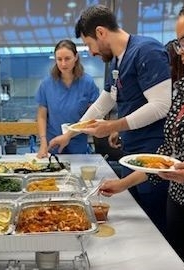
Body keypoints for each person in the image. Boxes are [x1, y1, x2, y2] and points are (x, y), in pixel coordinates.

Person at [100, 0, 184, 268]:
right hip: (178, 203)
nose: (180, 51)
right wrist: (122, 185)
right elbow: (167, 154)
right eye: (177, 43)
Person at [48, 5, 172, 235]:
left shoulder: (146, 51)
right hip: (131, 152)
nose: (91, 52)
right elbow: (103, 103)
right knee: (134, 221)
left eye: (89, 44)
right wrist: (70, 133)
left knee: (152, 229)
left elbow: (161, 105)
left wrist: (115, 125)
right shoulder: (116, 62)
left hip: (152, 155)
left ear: (101, 32)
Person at [35, 39, 99, 158]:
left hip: (78, 143)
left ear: (76, 57)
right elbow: (42, 115)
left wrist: (69, 135)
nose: (63, 64)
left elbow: (92, 115)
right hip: (52, 142)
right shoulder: (46, 84)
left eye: (67, 59)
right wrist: (43, 142)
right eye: (59, 59)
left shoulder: (88, 83)